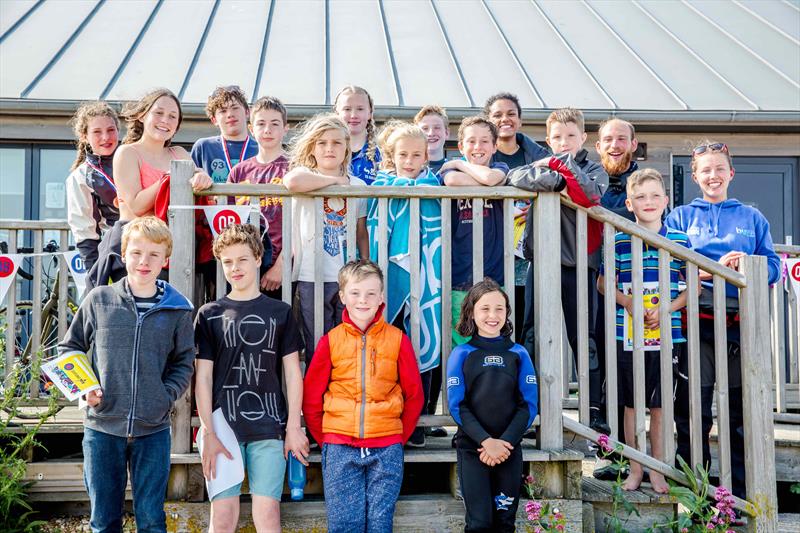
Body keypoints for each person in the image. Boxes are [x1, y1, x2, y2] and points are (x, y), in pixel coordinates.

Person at [58, 217, 194, 532]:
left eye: (153, 255)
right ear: (123, 255)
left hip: (153, 430)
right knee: (104, 521)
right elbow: (70, 348)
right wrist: (84, 389)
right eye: (136, 253)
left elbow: (184, 361)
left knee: (151, 520)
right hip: (102, 427)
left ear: (166, 260)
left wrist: (165, 395)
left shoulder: (178, 310)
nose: (144, 261)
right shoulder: (98, 301)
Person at [665, 141, 780, 499]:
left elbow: (773, 267)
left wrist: (744, 264)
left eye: (719, 169)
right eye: (705, 170)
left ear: (730, 173)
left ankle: (740, 498)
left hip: (737, 326)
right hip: (694, 324)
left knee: (738, 417)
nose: (713, 176)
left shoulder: (752, 218)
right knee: (691, 413)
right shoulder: (681, 217)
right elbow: (667, 263)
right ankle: (694, 498)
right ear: (695, 176)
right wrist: (693, 272)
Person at [195, 224, 307, 532]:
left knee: (268, 514)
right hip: (222, 427)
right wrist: (208, 432)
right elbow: (202, 378)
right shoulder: (209, 314)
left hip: (269, 425)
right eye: (228, 262)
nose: (235, 268)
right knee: (223, 517)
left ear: (258, 259)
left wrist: (294, 426)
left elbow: (292, 373)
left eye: (242, 259)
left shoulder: (280, 312)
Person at [302, 259, 424, 533]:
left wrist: (397, 436)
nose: (363, 300)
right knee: (345, 524)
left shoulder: (397, 339)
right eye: (355, 293)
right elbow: (311, 397)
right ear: (343, 296)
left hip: (386, 447)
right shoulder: (331, 341)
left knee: (380, 523)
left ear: (381, 297)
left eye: (371, 293)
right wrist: (326, 438)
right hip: (339, 446)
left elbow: (414, 395)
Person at [508, 107, 608, 433]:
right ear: (548, 140)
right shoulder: (540, 165)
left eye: (570, 136)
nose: (563, 142)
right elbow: (515, 177)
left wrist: (556, 168)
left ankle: (593, 416)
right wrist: (556, 178)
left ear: (583, 138)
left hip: (580, 265)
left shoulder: (594, 168)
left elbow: (589, 195)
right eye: (556, 138)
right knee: (532, 337)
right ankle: (532, 412)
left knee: (585, 341)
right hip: (542, 264)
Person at [597, 169, 689, 493]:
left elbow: (691, 289)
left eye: (654, 195)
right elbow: (603, 282)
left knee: (661, 406)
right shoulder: (620, 239)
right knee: (632, 406)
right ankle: (636, 468)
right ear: (629, 203)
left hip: (668, 335)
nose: (648, 202)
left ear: (666, 200)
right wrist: (629, 302)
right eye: (640, 197)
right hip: (629, 335)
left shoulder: (679, 240)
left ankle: (658, 471)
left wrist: (665, 309)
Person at [87, 88, 212, 291]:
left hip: (174, 249)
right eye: (159, 113)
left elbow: (195, 175)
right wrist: (169, 177)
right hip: (137, 249)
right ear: (143, 115)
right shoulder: (127, 153)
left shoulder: (179, 152)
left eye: (173, 116)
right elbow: (136, 205)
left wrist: (202, 176)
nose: (165, 120)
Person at [368, 121, 443, 448]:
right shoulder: (380, 186)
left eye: (416, 155)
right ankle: (386, 416)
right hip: (388, 274)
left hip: (424, 276)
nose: (409, 161)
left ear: (426, 156)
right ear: (392, 155)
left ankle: (420, 420)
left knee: (420, 343)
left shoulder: (433, 186)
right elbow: (373, 229)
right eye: (403, 155)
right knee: (388, 348)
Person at [447, 278, 538, 533]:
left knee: (505, 523)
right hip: (473, 450)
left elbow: (528, 406)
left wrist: (505, 443)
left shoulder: (518, 354)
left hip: (509, 451)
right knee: (479, 523)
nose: (492, 315)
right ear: (472, 313)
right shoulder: (461, 354)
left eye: (499, 308)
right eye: (485, 309)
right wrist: (487, 441)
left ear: (507, 312)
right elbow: (457, 406)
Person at [283, 114, 369, 353]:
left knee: (347, 341)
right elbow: (291, 182)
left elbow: (361, 231)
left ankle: (342, 389)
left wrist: (367, 264)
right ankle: (316, 389)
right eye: (322, 143)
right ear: (312, 148)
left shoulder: (358, 186)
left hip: (348, 275)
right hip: (312, 274)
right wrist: (335, 182)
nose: (329, 148)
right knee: (317, 342)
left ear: (347, 148)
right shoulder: (303, 176)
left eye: (336, 143)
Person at [484, 93, 550, 344]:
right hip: (493, 249)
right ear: (489, 120)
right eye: (498, 115)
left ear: (520, 120)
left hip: (527, 253)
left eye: (511, 114)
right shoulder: (484, 156)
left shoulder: (537, 156)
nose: (505, 119)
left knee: (523, 320)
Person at [440, 116, 509, 347]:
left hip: (493, 273)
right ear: (460, 146)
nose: (478, 147)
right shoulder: (447, 172)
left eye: (484, 141)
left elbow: (490, 178)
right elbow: (451, 181)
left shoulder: (501, 168)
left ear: (495, 146)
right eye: (471, 141)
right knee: (460, 339)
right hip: (459, 273)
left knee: (492, 335)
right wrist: (462, 172)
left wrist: (459, 164)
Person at [227, 96, 291, 297]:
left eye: (274, 124)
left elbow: (301, 225)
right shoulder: (239, 172)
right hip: (244, 264)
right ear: (251, 129)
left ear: (285, 129)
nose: (267, 130)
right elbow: (229, 223)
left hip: (280, 266)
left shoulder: (293, 169)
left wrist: (281, 265)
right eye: (261, 124)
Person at [65, 101, 121, 271]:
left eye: (111, 130)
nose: (106, 137)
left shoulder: (136, 158)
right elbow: (85, 233)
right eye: (97, 132)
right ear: (84, 136)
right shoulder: (80, 177)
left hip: (156, 246)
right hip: (118, 254)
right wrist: (95, 277)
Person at [191, 85, 259, 184]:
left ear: (247, 112)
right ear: (214, 120)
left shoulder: (260, 149)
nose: (230, 114)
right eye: (223, 111)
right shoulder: (203, 147)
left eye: (235, 108)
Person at [333, 85, 381, 184]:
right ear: (337, 113)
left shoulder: (382, 152)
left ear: (370, 113)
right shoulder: (325, 150)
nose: (354, 115)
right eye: (347, 109)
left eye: (360, 109)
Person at [413, 105, 450, 173]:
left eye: (437, 127)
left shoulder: (455, 170)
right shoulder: (407, 171)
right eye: (425, 128)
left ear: (446, 133)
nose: (431, 133)